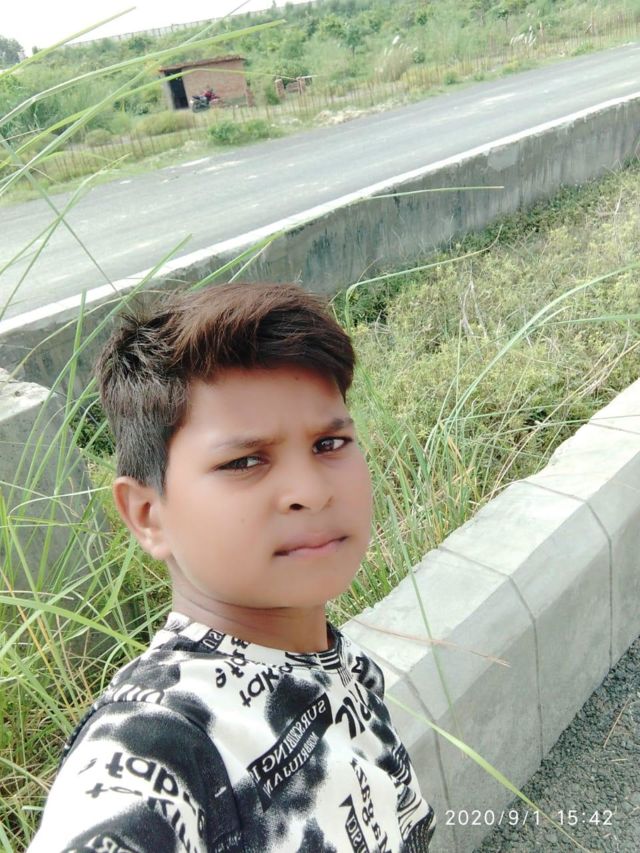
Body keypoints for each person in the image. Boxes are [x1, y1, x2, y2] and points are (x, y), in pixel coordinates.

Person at [27, 281, 437, 852]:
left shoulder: (338, 662)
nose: (310, 491)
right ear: (148, 515)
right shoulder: (164, 743)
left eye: (329, 444)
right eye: (245, 461)